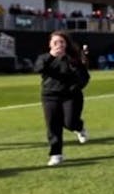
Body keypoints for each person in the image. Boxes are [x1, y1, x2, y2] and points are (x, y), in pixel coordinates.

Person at [34, 31, 90, 166]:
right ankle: (56, 154)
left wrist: (76, 87)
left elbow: (84, 77)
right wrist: (52, 57)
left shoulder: (73, 59)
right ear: (50, 44)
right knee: (53, 125)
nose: (58, 45)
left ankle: (79, 128)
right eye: (55, 42)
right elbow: (38, 68)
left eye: (61, 42)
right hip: (49, 96)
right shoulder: (44, 58)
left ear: (66, 44)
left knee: (70, 122)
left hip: (71, 96)